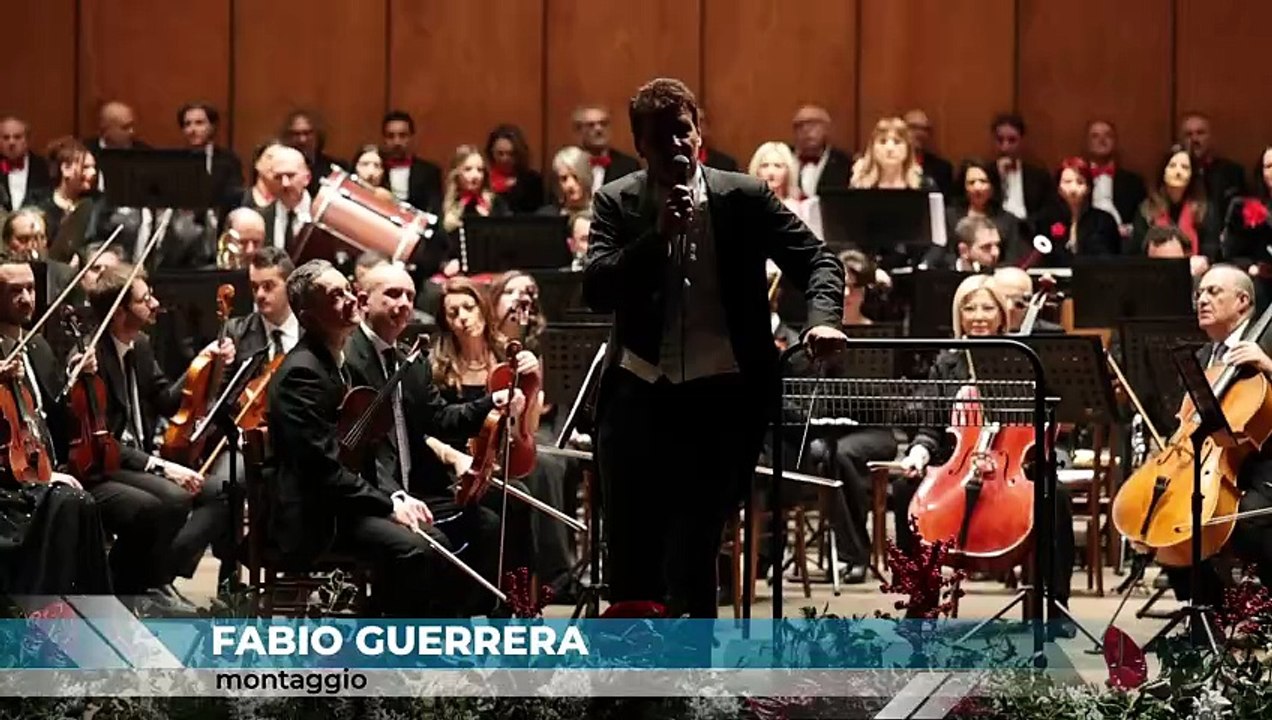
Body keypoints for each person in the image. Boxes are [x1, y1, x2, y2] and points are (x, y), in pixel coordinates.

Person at [584, 78, 845, 617]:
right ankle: (630, 692)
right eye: (662, 139)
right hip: (638, 396)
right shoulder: (617, 201)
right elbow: (597, 289)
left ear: (699, 132)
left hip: (722, 399)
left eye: (683, 132)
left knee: (694, 547)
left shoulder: (741, 196)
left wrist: (821, 321)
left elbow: (819, 260)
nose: (676, 146)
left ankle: (691, 690)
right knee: (632, 555)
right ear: (641, 147)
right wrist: (657, 237)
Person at [893, 274, 1077, 630]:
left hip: (1014, 464)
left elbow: (1046, 423)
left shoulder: (1024, 359)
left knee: (1056, 498)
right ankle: (922, 598)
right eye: (969, 307)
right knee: (904, 489)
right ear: (958, 315)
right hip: (958, 464)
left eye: (986, 307)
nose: (978, 315)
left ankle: (1056, 606)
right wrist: (918, 451)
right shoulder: (947, 364)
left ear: (1001, 315)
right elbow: (931, 426)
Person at [342, 262, 516, 615]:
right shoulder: (348, 357)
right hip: (374, 490)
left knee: (489, 524)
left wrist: (490, 403)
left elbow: (439, 419)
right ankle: (426, 635)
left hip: (418, 485)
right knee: (433, 544)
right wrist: (394, 496)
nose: (403, 303)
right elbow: (357, 447)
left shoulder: (411, 357)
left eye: (408, 295)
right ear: (363, 300)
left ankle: (467, 622)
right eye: (391, 294)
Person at [86, 264, 234, 611]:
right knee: (171, 499)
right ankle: (127, 586)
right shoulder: (95, 357)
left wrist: (203, 361)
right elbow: (104, 440)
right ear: (121, 311)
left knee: (204, 493)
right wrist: (163, 467)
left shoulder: (140, 345)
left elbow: (167, 400)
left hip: (135, 455)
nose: (154, 304)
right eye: (145, 298)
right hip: (103, 462)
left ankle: (150, 580)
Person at [0, 251, 112, 596]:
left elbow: (56, 417)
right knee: (74, 505)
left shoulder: (36, 345)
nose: (26, 298)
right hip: (8, 484)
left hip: (38, 470)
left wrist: (77, 376)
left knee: (78, 504)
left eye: (31, 289)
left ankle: (90, 618)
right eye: (14, 291)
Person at [1161, 265, 1272, 605]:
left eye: (1213, 292)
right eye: (1200, 294)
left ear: (1242, 301)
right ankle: (1210, 614)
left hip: (1263, 465)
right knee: (1167, 523)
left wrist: (1269, 365)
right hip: (1212, 466)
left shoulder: (1267, 340)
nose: (1202, 300)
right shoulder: (1202, 357)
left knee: (1248, 523)